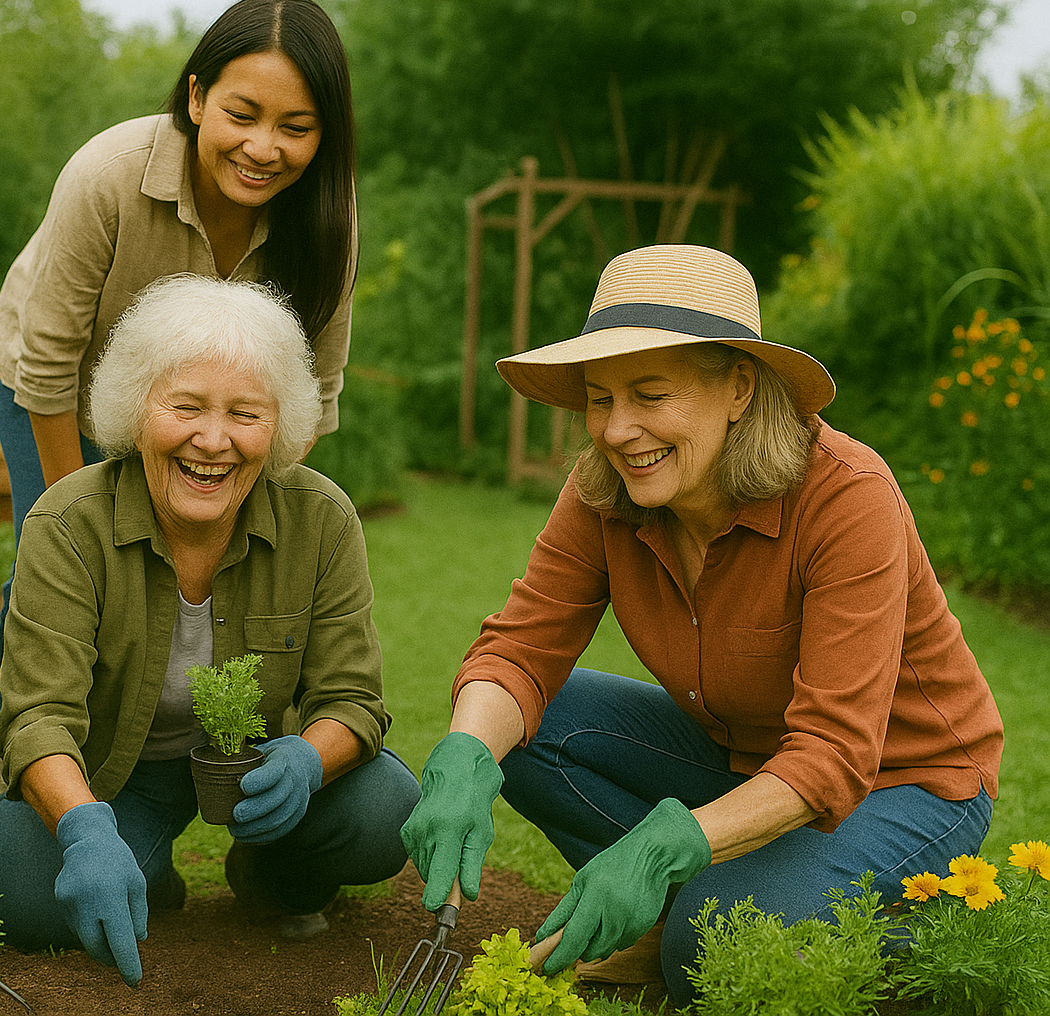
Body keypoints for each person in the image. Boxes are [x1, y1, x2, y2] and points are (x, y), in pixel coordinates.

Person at [398, 244, 1004, 1006]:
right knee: (525, 728)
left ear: (739, 388)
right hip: (745, 759)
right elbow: (521, 646)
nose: (618, 431)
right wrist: (462, 757)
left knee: (703, 952)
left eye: (650, 395)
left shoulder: (849, 499)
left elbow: (833, 753)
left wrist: (666, 844)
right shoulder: (605, 489)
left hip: (908, 781)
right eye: (600, 398)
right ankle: (686, 904)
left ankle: (938, 937)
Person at [0, 275, 418, 987]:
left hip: (261, 769)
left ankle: (274, 869)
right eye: (184, 406)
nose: (213, 441)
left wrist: (306, 763)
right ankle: (142, 868)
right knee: (23, 888)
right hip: (116, 781)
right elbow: (36, 719)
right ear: (135, 408)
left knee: (384, 809)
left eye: (245, 414)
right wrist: (87, 828)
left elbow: (352, 700)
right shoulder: (67, 523)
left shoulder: (321, 518)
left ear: (278, 424)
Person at [0, 0, 357, 796]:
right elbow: (48, 364)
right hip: (61, 395)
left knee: (237, 587)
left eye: (296, 127)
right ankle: (23, 794)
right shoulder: (108, 175)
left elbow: (313, 392)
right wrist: (64, 528)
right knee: (54, 575)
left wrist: (244, 501)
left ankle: (258, 798)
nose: (264, 147)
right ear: (195, 97)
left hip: (217, 419)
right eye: (243, 114)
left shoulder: (328, 213)